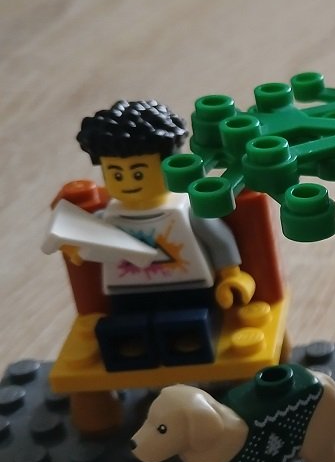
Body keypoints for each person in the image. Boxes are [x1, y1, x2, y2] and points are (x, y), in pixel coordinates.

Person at [64, 99, 255, 371]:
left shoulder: (187, 208)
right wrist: (76, 247)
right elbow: (86, 241)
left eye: (138, 173)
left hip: (190, 292)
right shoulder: (109, 217)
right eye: (116, 174)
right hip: (126, 296)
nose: (127, 182)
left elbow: (217, 237)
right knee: (126, 334)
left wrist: (231, 275)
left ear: (169, 164)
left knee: (190, 330)